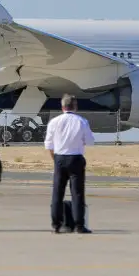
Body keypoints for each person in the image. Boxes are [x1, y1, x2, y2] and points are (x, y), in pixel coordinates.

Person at [44, 94, 95, 234]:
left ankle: (56, 224)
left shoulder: (54, 121)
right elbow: (90, 141)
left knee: (57, 192)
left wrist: (55, 159)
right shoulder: (81, 121)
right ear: (75, 106)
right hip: (75, 157)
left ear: (62, 106)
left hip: (59, 157)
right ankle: (79, 224)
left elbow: (49, 144)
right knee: (77, 193)